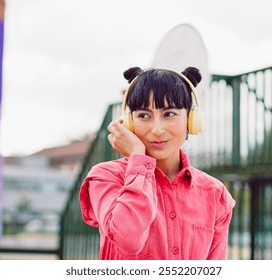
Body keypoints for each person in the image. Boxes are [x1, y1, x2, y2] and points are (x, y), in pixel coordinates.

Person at [79, 66, 236, 260]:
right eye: (144, 115)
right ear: (128, 123)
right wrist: (138, 157)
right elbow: (129, 240)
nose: (157, 129)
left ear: (191, 120)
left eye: (169, 114)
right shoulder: (106, 177)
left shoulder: (214, 193)